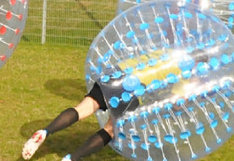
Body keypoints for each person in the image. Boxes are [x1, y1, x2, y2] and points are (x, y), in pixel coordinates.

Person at [22, 49, 208, 161]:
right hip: (134, 89)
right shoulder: (185, 74)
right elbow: (176, 105)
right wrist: (191, 92)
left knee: (83, 109)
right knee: (110, 130)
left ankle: (45, 132)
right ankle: (72, 158)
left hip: (119, 72)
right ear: (198, 64)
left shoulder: (168, 52)